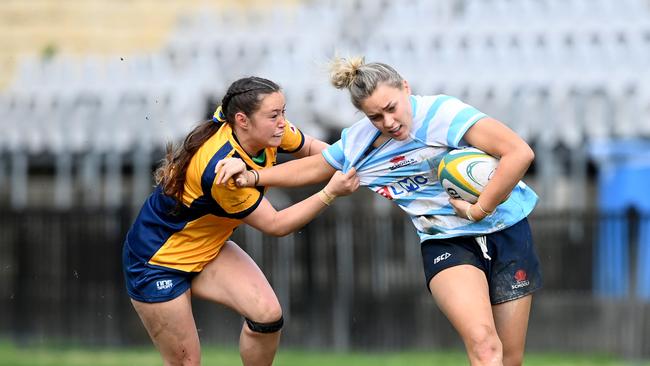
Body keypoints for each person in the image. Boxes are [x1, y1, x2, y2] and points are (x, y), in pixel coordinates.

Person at [222, 58, 541, 366]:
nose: (388, 122)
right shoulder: (361, 144)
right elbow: (314, 168)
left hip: (507, 229)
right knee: (485, 347)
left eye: (391, 108)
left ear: (405, 88)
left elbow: (518, 152)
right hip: (446, 241)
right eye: (375, 117)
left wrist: (480, 208)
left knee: (510, 359)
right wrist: (252, 176)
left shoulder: (442, 114)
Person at [122, 76, 359, 366]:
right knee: (186, 363)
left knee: (267, 317)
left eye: (283, 112)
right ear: (242, 120)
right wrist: (330, 192)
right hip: (157, 261)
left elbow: (311, 150)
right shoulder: (220, 171)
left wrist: (352, 161)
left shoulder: (269, 131)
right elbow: (276, 224)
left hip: (206, 247)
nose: (283, 122)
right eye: (274, 115)